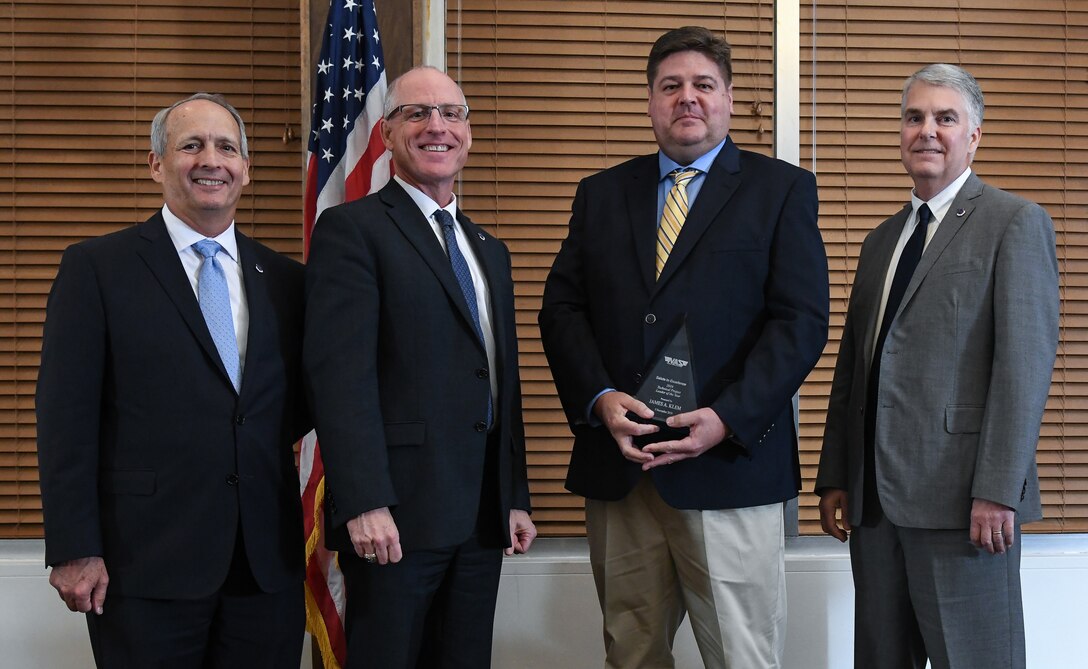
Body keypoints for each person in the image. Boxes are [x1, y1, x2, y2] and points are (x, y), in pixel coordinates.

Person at [538, 26, 829, 669]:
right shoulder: (602, 193)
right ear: (650, 101)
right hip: (622, 470)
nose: (687, 99)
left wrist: (727, 417)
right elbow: (560, 309)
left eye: (704, 85)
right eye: (671, 86)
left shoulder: (780, 191)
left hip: (730, 469)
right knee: (631, 654)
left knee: (742, 657)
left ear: (727, 99)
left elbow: (801, 322)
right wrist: (599, 397)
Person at [35, 93, 309, 667]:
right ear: (157, 164)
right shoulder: (97, 269)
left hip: (264, 566)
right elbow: (66, 419)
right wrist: (74, 548)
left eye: (227, 147)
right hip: (143, 564)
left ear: (246, 170)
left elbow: (300, 406)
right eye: (192, 145)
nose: (212, 159)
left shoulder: (288, 280)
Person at [816, 63, 1059, 669]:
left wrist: (999, 490)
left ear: (974, 135)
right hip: (873, 511)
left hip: (965, 511)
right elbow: (856, 368)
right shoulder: (881, 240)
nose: (927, 130)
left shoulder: (1013, 222)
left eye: (945, 118)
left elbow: (1023, 367)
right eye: (914, 117)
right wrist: (835, 475)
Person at [303, 66, 536, 668]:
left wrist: (513, 497)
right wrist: (363, 502)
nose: (437, 126)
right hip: (395, 519)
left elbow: (498, 381)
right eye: (416, 113)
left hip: (480, 519)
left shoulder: (490, 250)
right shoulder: (352, 230)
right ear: (385, 133)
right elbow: (340, 376)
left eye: (451, 114)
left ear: (468, 131)